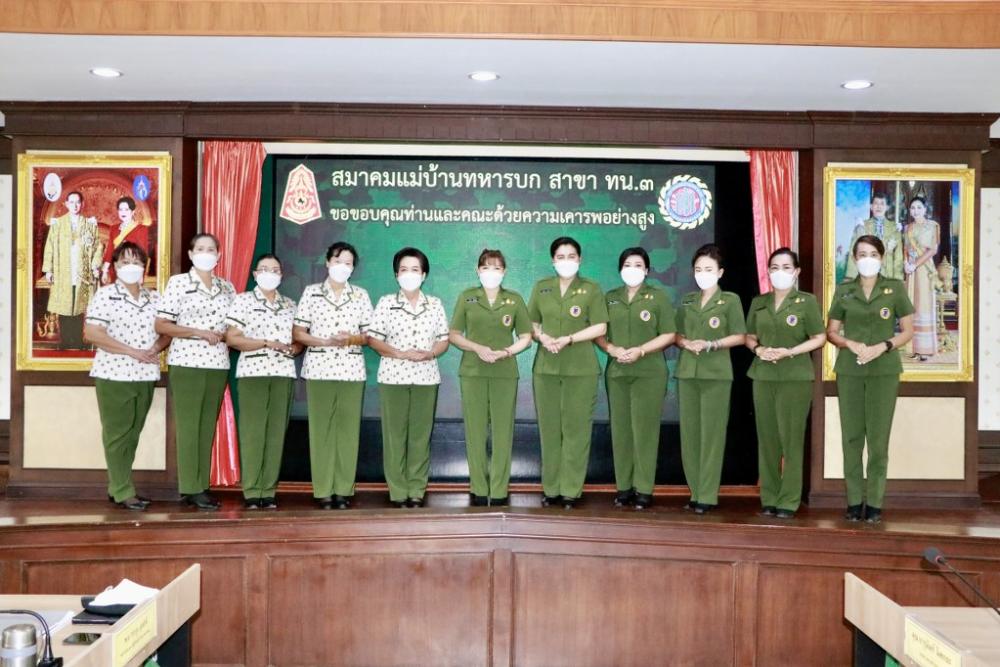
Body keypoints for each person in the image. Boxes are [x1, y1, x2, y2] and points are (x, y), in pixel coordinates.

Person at [827, 235, 914, 524]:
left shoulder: (895, 288)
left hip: (884, 371)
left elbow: (907, 331)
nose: (867, 259)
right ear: (855, 258)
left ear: (881, 257)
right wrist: (849, 343)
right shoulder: (845, 290)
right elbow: (831, 331)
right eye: (862, 254)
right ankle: (854, 502)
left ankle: (875, 503)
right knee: (852, 438)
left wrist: (883, 346)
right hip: (850, 369)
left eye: (873, 254)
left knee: (878, 439)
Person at [83, 241, 170, 511]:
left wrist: (154, 349)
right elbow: (92, 333)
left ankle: (118, 485)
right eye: (124, 262)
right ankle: (123, 490)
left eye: (136, 262)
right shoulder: (105, 295)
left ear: (145, 266)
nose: (130, 267)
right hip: (114, 374)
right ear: (115, 266)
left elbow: (168, 330)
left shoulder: (155, 298)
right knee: (117, 434)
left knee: (133, 433)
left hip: (145, 374)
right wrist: (132, 351)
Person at [155, 233, 236, 511]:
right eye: (200, 248)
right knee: (189, 425)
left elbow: (235, 325)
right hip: (187, 361)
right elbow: (162, 325)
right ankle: (190, 487)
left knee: (206, 425)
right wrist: (197, 332)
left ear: (219, 255)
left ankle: (202, 484)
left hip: (218, 363)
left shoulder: (227, 287)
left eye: (211, 249)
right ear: (190, 254)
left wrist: (229, 334)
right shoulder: (179, 283)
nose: (206, 253)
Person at [745, 248, 826, 519]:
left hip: (795, 377)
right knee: (767, 439)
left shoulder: (806, 302)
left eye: (786, 267)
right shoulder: (759, 302)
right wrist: (759, 349)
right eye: (774, 267)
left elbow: (819, 337)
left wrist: (790, 352)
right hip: (763, 376)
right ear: (768, 271)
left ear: (796, 272)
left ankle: (789, 499)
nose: (780, 272)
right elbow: (749, 336)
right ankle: (769, 496)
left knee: (791, 440)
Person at [527, 236, 608, 509]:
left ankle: (571, 490)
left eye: (571, 256)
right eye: (560, 257)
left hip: (581, 369)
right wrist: (542, 337)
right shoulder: (542, 287)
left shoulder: (591, 288)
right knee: (549, 429)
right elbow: (531, 323)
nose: (566, 261)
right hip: (546, 369)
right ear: (553, 261)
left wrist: (569, 339)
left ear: (579, 260)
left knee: (576, 430)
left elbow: (600, 327)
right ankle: (551, 489)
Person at [293, 242, 373, 510]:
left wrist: (351, 338)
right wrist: (324, 341)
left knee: (348, 430)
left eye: (348, 263)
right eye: (338, 261)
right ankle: (323, 489)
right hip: (319, 368)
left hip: (351, 369)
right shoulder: (311, 292)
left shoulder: (360, 295)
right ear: (327, 262)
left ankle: (343, 489)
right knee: (321, 430)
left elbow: (369, 335)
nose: (342, 267)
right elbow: (298, 333)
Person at [449, 249, 533, 506]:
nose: (491, 272)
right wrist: (477, 348)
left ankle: (499, 490)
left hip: (504, 373)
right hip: (473, 372)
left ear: (504, 271)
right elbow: (454, 335)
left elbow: (526, 337)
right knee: (475, 430)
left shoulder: (514, 299)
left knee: (502, 431)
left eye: (496, 267)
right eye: (486, 267)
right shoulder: (467, 297)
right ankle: (478, 487)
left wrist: (507, 352)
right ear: (478, 270)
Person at [368, 247, 450, 508]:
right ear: (396, 275)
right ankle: (397, 490)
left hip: (426, 377)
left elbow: (443, 340)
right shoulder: (386, 302)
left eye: (415, 269)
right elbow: (373, 339)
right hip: (393, 376)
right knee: (395, 435)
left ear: (424, 275)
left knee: (420, 435)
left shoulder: (434, 304)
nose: (409, 274)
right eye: (404, 269)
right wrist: (399, 353)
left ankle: (416, 488)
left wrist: (430, 353)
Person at [596, 247, 675, 510]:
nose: (632, 269)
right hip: (618, 372)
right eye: (627, 264)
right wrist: (611, 348)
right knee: (620, 431)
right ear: (620, 269)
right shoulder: (610, 297)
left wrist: (641, 350)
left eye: (638, 264)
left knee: (645, 431)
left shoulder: (658, 297)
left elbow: (669, 334)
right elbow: (599, 331)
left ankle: (644, 489)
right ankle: (624, 487)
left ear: (647, 270)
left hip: (649, 372)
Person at [225, 254, 301, 510]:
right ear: (255, 274)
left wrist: (294, 348)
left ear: (281, 275)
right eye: (265, 269)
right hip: (253, 373)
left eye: (275, 269)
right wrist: (266, 343)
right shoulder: (243, 300)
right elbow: (233, 338)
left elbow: (298, 339)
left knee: (276, 432)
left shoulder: (290, 304)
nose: (270, 273)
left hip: (283, 373)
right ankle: (252, 490)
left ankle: (268, 490)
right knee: (253, 432)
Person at [675, 244, 746, 515]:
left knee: (712, 436)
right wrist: (685, 343)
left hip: (716, 373)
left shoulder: (730, 300)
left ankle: (707, 494)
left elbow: (740, 336)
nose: (702, 274)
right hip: (687, 372)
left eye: (708, 269)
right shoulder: (687, 300)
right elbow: (676, 334)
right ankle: (695, 492)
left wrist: (712, 344)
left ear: (720, 272)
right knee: (690, 435)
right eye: (698, 269)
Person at [42, 190, 104, 349]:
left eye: (78, 202)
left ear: (82, 204)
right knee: (64, 306)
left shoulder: (89, 224)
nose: (75, 205)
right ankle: (64, 341)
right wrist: (48, 270)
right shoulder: (58, 224)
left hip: (82, 272)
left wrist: (95, 265)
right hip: (63, 271)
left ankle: (77, 340)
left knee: (78, 306)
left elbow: (98, 247)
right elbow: (49, 247)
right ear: (66, 204)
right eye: (72, 202)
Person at [903, 196, 941, 361]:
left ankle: (925, 349)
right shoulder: (908, 228)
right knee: (912, 305)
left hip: (924, 269)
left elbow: (933, 250)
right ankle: (913, 347)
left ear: (925, 209)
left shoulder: (933, 226)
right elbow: (906, 248)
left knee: (923, 304)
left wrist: (915, 264)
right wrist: (906, 263)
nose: (916, 210)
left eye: (919, 207)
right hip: (911, 271)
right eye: (913, 208)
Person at [845, 192, 904, 281]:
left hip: (887, 274)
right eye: (876, 203)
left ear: (887, 207)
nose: (879, 207)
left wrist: (897, 280)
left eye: (882, 204)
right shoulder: (862, 226)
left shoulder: (894, 228)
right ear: (871, 206)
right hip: (866, 273)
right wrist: (851, 278)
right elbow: (853, 252)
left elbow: (898, 257)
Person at [101, 196, 152, 285]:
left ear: (133, 211)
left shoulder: (141, 229)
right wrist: (105, 271)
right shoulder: (114, 228)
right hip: (116, 269)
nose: (123, 212)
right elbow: (110, 251)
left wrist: (140, 275)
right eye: (120, 209)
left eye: (126, 209)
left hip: (132, 269)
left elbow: (143, 254)